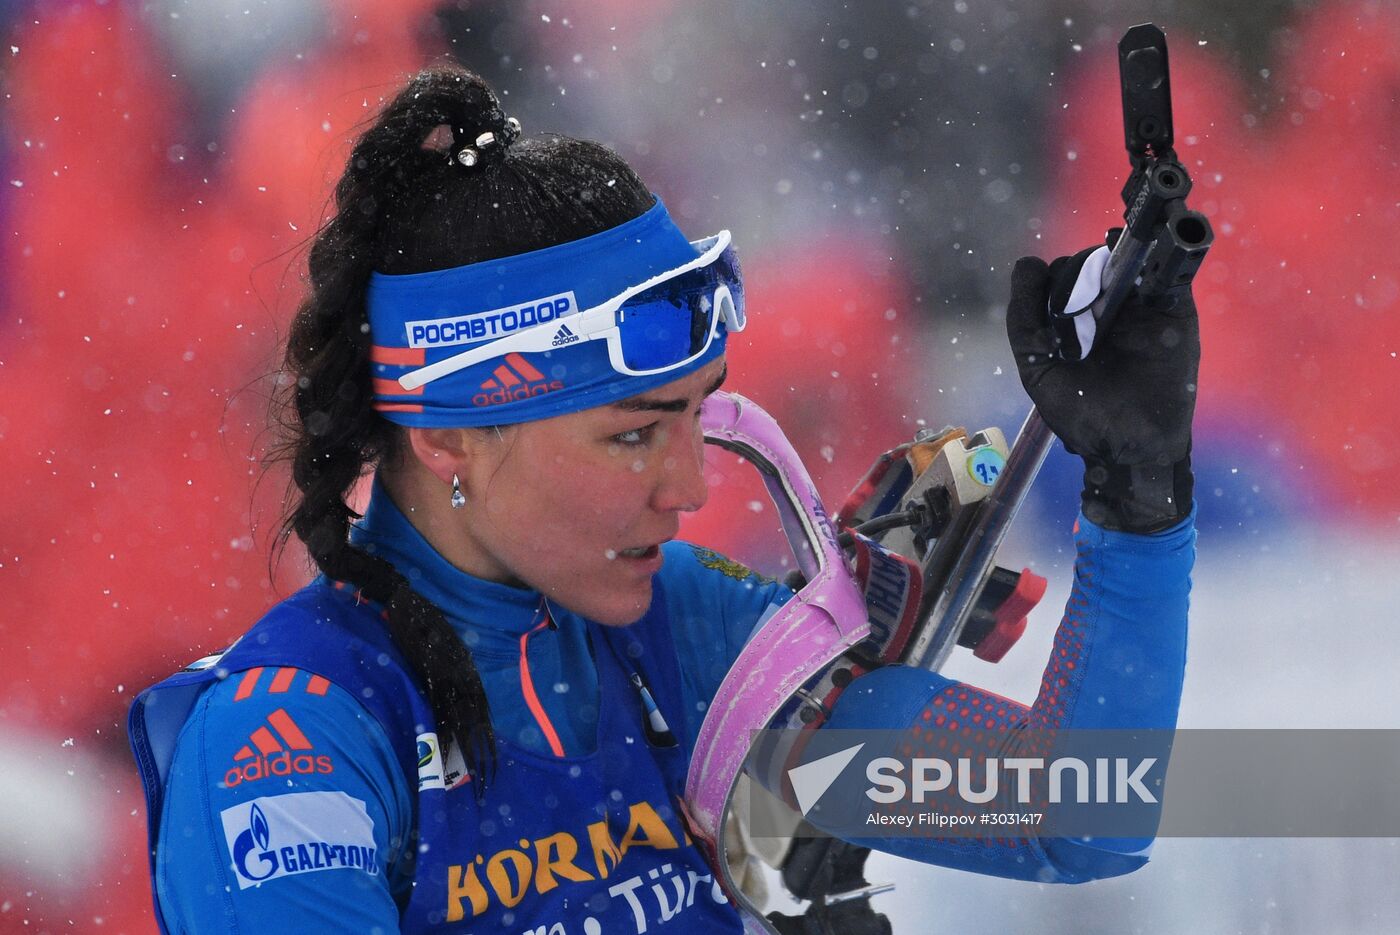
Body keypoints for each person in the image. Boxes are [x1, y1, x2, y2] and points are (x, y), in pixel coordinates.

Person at [128, 65, 1198, 934]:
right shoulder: (287, 744)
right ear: (446, 429)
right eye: (633, 434)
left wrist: (1137, 496)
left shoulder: (677, 626)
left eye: (698, 418)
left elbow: (1073, 812)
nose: (688, 488)